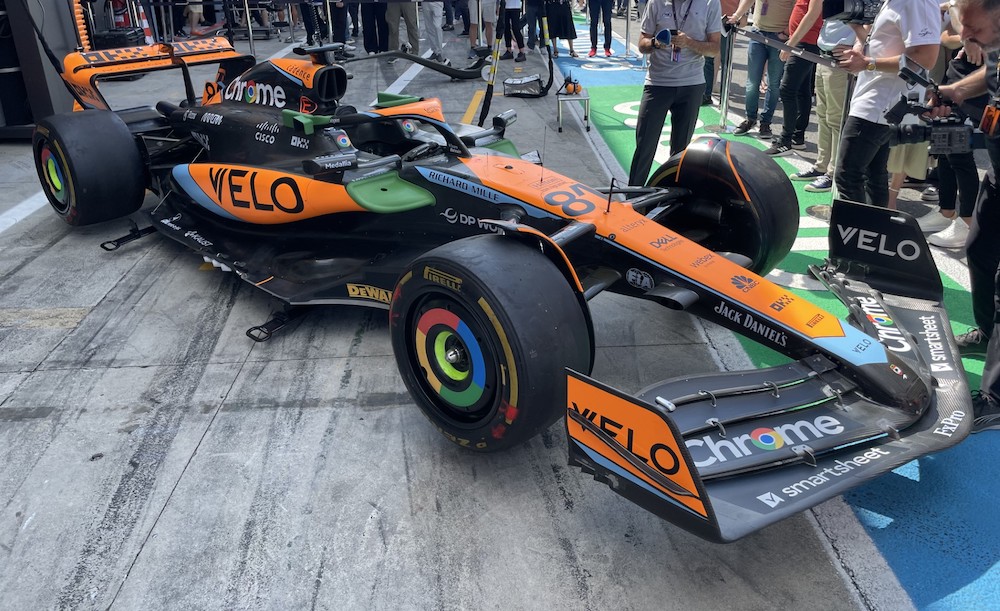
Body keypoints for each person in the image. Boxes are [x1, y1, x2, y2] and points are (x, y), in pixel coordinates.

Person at [929, 0, 1000, 431]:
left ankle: (996, 398)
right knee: (979, 253)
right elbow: (991, 74)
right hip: (997, 178)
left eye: (973, 29)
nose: (965, 37)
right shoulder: (995, 49)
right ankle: (988, 334)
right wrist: (955, 91)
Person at [832, 0, 939, 207]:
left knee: (848, 176)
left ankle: (857, 227)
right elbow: (886, 45)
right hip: (878, 101)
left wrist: (868, 63)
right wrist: (861, 46)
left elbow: (925, 57)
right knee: (873, 176)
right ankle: (874, 225)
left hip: (881, 103)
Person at [628, 0, 722, 186]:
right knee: (645, 146)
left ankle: (672, 196)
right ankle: (632, 195)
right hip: (658, 83)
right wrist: (655, 43)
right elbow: (642, 44)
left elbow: (714, 49)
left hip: (691, 84)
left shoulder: (710, 3)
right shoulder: (656, 2)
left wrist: (688, 42)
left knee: (681, 152)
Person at [789, 17, 855, 192]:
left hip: (839, 60)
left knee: (835, 119)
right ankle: (821, 166)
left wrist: (857, 47)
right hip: (824, 56)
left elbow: (868, 21)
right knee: (823, 115)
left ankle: (833, 173)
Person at [726, 0, 796, 138]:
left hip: (779, 36)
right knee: (752, 82)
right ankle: (750, 118)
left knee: (773, 83)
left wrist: (787, 31)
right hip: (757, 33)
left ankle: (766, 123)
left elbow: (797, 7)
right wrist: (736, 16)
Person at [763, 0, 822, 156]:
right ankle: (797, 137)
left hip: (805, 42)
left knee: (787, 90)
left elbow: (812, 13)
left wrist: (791, 44)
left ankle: (785, 141)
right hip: (803, 40)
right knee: (802, 90)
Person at [702, 0, 739, 105]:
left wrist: (740, 15)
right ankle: (706, 94)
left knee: (725, 62)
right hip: (709, 18)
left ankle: (723, 97)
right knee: (708, 59)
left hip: (727, 22)